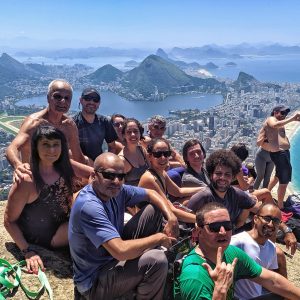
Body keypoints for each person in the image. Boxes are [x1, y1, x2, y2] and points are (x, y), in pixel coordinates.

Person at [68, 152, 179, 299]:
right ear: (94, 176)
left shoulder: (116, 191)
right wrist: (158, 238)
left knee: (154, 210)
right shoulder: (89, 206)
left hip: (111, 258)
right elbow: (120, 251)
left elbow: (151, 193)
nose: (116, 181)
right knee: (157, 260)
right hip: (94, 282)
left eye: (121, 177)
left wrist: (171, 217)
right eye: (109, 175)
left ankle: (139, 273)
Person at [4, 126, 92, 275]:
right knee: (89, 218)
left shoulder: (64, 166)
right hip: (47, 236)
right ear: (36, 147)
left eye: (55, 145)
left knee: (94, 196)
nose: (51, 150)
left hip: (64, 218)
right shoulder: (27, 180)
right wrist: (27, 251)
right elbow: (8, 220)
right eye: (46, 144)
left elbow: (96, 175)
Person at [174, 202, 300, 300]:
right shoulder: (195, 277)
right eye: (214, 227)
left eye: (227, 226)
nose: (223, 231)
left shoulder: (232, 253)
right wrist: (219, 291)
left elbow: (273, 281)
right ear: (198, 231)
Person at [187, 149, 297, 252]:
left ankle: (269, 253)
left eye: (227, 174)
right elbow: (185, 220)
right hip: (210, 245)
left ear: (233, 177)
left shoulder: (234, 193)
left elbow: (264, 211)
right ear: (211, 175)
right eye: (218, 174)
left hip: (231, 238)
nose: (223, 178)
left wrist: (287, 230)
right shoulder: (203, 196)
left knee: (265, 224)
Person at [5, 79, 86, 180]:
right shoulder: (34, 123)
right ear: (48, 98)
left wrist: (84, 180)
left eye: (67, 98)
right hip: (33, 177)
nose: (63, 101)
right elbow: (12, 148)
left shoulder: (69, 126)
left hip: (58, 178)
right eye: (57, 96)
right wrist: (18, 165)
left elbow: (78, 156)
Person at [138, 138, 203, 222]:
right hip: (148, 224)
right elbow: (171, 210)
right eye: (158, 154)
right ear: (149, 156)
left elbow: (178, 191)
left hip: (158, 219)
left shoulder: (161, 173)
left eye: (166, 154)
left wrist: (204, 189)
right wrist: (203, 221)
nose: (163, 157)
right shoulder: (150, 179)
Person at [231, 203, 286, 299]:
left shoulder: (271, 247)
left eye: (276, 221)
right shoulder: (237, 242)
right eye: (267, 219)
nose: (270, 224)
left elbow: (269, 280)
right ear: (255, 219)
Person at [258, 104, 300, 208]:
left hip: (283, 153)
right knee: (284, 180)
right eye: (282, 112)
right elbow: (274, 125)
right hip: (279, 154)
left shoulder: (280, 123)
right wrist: (293, 118)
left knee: (278, 176)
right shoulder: (271, 119)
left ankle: (265, 193)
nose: (284, 115)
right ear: (275, 112)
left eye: (285, 113)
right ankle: (280, 206)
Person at [73, 87, 118, 161]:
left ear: (99, 103)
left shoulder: (104, 122)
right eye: (87, 98)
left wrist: (106, 163)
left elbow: (112, 146)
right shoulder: (73, 124)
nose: (91, 102)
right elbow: (68, 151)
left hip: (99, 166)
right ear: (81, 100)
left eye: (95, 99)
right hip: (79, 166)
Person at [118, 118, 150, 186]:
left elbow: (151, 170)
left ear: (140, 133)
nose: (133, 134)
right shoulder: (122, 160)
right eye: (129, 132)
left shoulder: (141, 149)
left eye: (135, 131)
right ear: (124, 135)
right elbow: (119, 187)